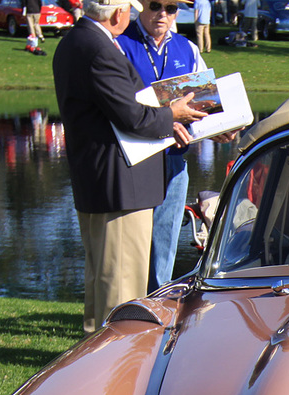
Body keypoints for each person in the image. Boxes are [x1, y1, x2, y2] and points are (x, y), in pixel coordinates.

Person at [53, 0, 204, 332]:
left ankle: (94, 354)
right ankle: (115, 362)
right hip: (120, 183)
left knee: (102, 277)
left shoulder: (74, 40)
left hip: (101, 178)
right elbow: (132, 116)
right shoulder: (99, 48)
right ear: (119, 13)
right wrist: (173, 114)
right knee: (122, 284)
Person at [120, 0, 207, 291]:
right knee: (131, 242)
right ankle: (127, 310)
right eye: (156, 5)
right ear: (140, 6)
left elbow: (206, 103)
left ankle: (157, 308)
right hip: (134, 160)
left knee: (165, 240)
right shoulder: (120, 44)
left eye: (171, 8)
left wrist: (218, 129)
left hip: (175, 159)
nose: (163, 14)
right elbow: (118, 107)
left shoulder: (188, 48)